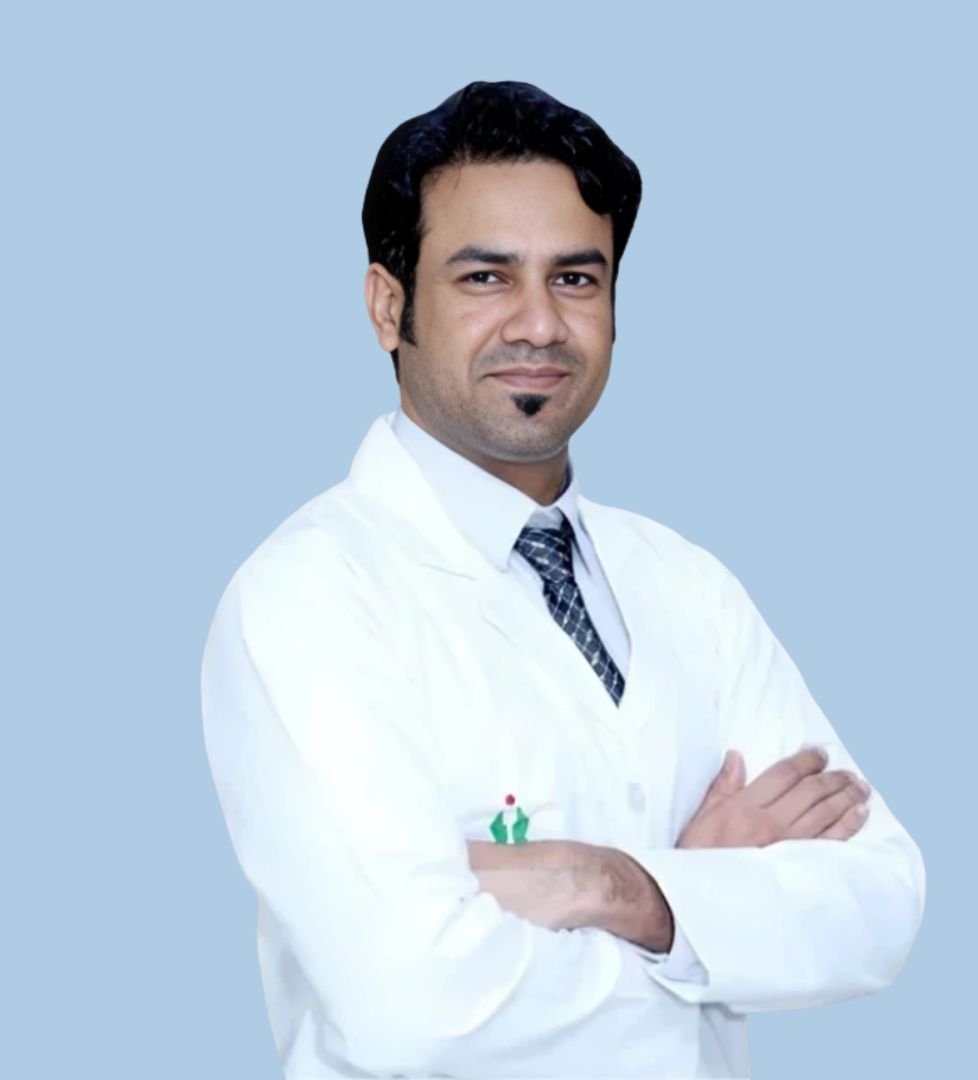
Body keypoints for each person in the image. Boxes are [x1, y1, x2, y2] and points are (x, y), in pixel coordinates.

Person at [200, 80, 925, 1080]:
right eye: (486, 278)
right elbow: (413, 1007)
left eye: (577, 278)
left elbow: (882, 903)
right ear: (388, 306)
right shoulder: (310, 600)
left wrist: (613, 886)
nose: (539, 323)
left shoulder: (687, 585)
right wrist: (713, 920)